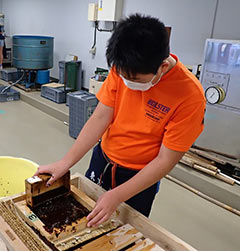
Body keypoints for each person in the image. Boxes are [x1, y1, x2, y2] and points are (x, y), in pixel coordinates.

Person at [35, 14, 206, 228]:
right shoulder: (124, 67)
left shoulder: (190, 96)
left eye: (135, 80)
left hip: (140, 176)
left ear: (162, 67)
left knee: (125, 229)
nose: (128, 82)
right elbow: (100, 117)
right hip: (104, 159)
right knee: (85, 217)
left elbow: (165, 160)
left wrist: (118, 195)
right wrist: (65, 162)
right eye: (123, 76)